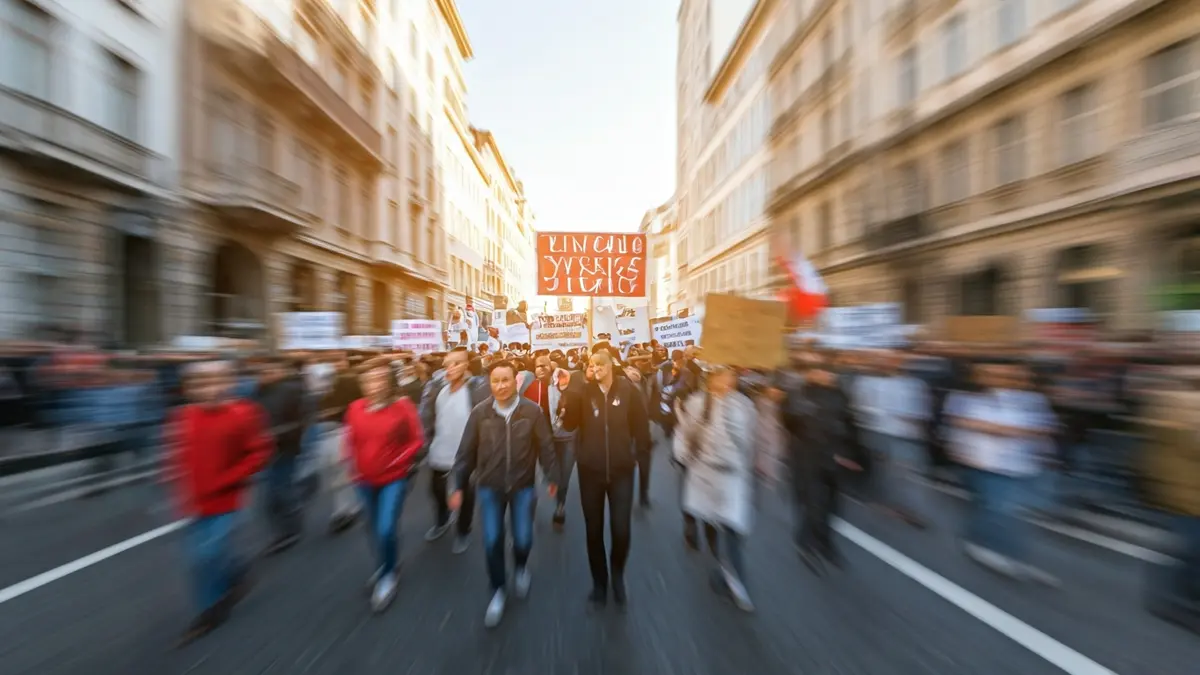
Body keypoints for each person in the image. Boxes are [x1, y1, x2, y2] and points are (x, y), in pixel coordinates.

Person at [168, 359, 272, 645]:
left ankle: (210, 611)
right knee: (197, 560)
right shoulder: (183, 416)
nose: (208, 389)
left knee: (209, 554)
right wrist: (180, 490)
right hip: (196, 503)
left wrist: (229, 478)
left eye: (216, 382)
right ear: (190, 388)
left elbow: (259, 453)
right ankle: (233, 578)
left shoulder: (244, 413)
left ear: (229, 383)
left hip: (228, 500)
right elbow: (180, 456)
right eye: (200, 384)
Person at [451, 360, 557, 627]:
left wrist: (553, 476)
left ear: (516, 381)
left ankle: (521, 567)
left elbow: (545, 446)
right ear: (490, 383)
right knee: (491, 540)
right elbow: (465, 453)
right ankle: (498, 588)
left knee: (522, 538)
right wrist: (458, 485)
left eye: (505, 380)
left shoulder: (532, 412)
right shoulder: (480, 413)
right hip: (489, 486)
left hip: (523, 486)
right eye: (495, 381)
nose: (500, 386)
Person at [560, 351, 652, 608]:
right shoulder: (584, 393)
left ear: (612, 366)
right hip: (590, 472)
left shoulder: (629, 391)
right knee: (594, 530)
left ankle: (618, 574)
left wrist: (638, 456)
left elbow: (642, 429)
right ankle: (599, 582)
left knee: (621, 529)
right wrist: (568, 393)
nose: (596, 368)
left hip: (622, 471)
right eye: (591, 364)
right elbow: (568, 425)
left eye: (601, 363)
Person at [343, 357, 424, 612]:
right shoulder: (355, 408)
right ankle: (387, 562)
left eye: (379, 378)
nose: (374, 384)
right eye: (369, 379)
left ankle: (388, 575)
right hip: (364, 481)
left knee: (386, 528)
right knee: (373, 529)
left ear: (389, 380)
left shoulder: (403, 406)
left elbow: (416, 441)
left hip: (393, 479)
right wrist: (352, 465)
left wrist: (395, 463)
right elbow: (350, 440)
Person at [673, 364, 757, 611]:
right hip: (705, 474)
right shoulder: (698, 403)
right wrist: (683, 457)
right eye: (722, 375)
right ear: (711, 379)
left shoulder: (743, 405)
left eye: (730, 375)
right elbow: (684, 434)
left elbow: (751, 440)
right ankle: (722, 569)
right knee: (712, 526)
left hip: (734, 477)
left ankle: (736, 583)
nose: (727, 380)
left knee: (732, 529)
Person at [420, 346, 489, 553]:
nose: (450, 368)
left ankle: (463, 530)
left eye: (456, 363)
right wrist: (426, 443)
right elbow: (427, 418)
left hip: (466, 456)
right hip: (439, 452)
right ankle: (443, 519)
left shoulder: (476, 389)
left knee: (466, 494)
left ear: (466, 365)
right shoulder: (436, 390)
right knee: (436, 490)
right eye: (447, 364)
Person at [256, 358, 308, 555]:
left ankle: (291, 530)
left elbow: (301, 422)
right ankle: (282, 531)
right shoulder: (259, 392)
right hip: (264, 452)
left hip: (285, 449)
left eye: (270, 369)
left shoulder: (291, 390)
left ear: (280, 370)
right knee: (270, 498)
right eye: (263, 370)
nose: (265, 373)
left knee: (281, 492)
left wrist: (276, 433)